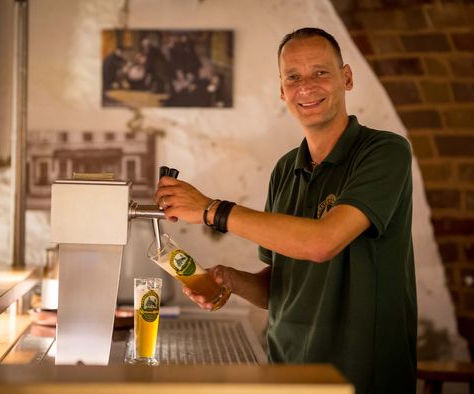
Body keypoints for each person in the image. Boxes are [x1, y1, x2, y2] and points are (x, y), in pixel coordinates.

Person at [155, 27, 417, 394]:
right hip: (286, 371)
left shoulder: (384, 152)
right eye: (293, 77)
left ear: (347, 78)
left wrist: (212, 210)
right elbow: (280, 286)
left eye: (320, 72)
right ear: (282, 91)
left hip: (361, 376)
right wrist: (230, 279)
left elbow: (322, 243)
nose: (305, 86)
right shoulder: (285, 169)